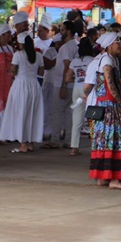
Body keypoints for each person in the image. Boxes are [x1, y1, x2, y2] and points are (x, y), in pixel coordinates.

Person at [88, 32, 121, 190]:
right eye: (117, 42)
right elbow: (111, 85)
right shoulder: (107, 60)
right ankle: (114, 178)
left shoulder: (109, 59)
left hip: (105, 104)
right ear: (110, 45)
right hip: (110, 106)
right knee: (114, 140)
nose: (119, 45)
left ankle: (103, 176)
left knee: (104, 141)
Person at [0, 32, 44, 153]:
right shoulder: (39, 56)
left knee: (20, 112)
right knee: (33, 113)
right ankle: (31, 143)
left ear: (21, 44)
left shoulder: (18, 55)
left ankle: (23, 143)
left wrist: (9, 71)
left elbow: (12, 72)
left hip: (20, 85)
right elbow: (41, 72)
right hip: (34, 85)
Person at [43, 21, 78, 149]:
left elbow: (67, 65)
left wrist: (63, 85)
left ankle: (55, 139)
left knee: (57, 111)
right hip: (71, 84)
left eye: (62, 30)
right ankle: (69, 140)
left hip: (63, 84)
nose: (61, 32)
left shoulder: (67, 47)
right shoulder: (74, 45)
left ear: (68, 32)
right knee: (68, 113)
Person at [64, 38, 94, 156]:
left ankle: (74, 148)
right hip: (89, 89)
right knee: (93, 117)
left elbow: (67, 78)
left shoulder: (74, 61)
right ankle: (95, 147)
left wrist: (77, 79)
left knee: (76, 118)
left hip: (76, 88)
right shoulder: (92, 60)